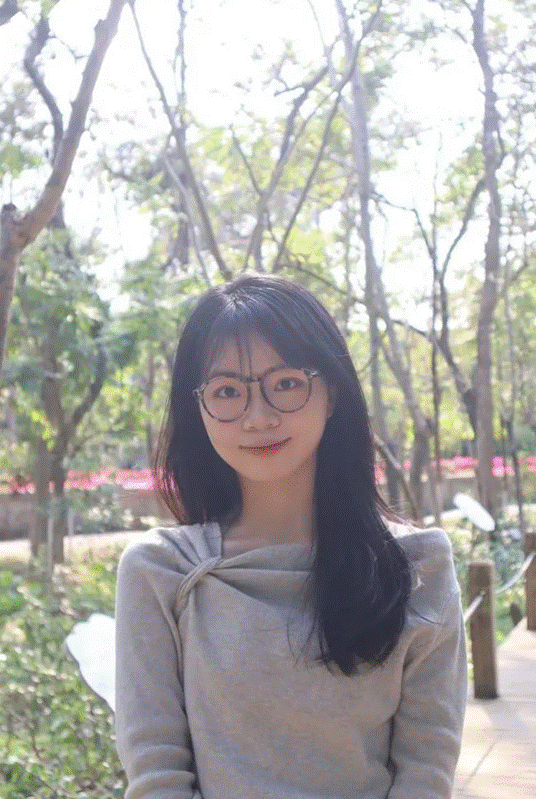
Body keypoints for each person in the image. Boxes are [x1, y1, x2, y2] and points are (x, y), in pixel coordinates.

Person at [115, 274, 467, 799]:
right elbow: (156, 773)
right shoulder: (161, 573)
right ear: (198, 409)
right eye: (227, 391)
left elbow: (426, 768)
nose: (258, 418)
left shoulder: (417, 567)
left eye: (285, 384)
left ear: (332, 392)